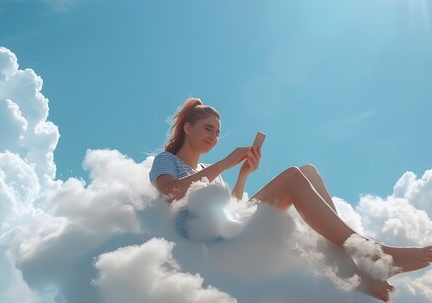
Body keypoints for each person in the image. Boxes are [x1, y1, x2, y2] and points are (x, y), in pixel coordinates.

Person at [148, 97, 432, 302]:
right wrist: (224, 163)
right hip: (205, 243)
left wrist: (244, 174)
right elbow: (170, 192)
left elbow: (230, 208)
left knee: (307, 171)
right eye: (208, 128)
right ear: (187, 128)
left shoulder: (204, 172)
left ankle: (361, 271)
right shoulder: (166, 160)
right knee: (294, 177)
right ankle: (373, 254)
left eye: (218, 132)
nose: (214, 136)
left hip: (229, 230)